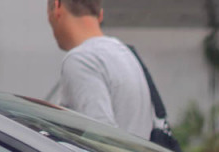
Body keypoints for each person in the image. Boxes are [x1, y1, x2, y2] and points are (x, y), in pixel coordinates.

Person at [47, 0, 153, 139]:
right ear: (100, 15)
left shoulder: (82, 60)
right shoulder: (125, 53)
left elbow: (101, 140)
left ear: (58, 5)